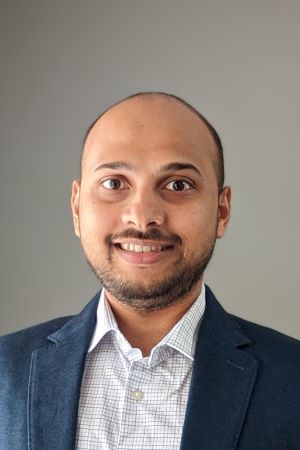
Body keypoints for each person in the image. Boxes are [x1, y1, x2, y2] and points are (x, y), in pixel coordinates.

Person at [0, 92, 299, 450]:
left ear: (221, 211)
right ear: (77, 209)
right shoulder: (6, 371)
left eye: (178, 185)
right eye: (114, 183)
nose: (142, 216)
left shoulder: (292, 381)